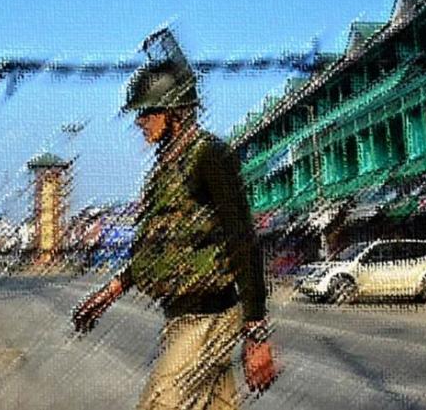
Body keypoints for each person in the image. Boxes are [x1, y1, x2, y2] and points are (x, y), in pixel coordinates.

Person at [73, 29, 276, 410]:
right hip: (181, 318)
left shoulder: (209, 156)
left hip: (208, 318)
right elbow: (155, 250)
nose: (140, 121)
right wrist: (109, 293)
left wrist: (256, 333)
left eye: (148, 112)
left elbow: (242, 238)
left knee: (159, 404)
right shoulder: (164, 170)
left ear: (176, 112)